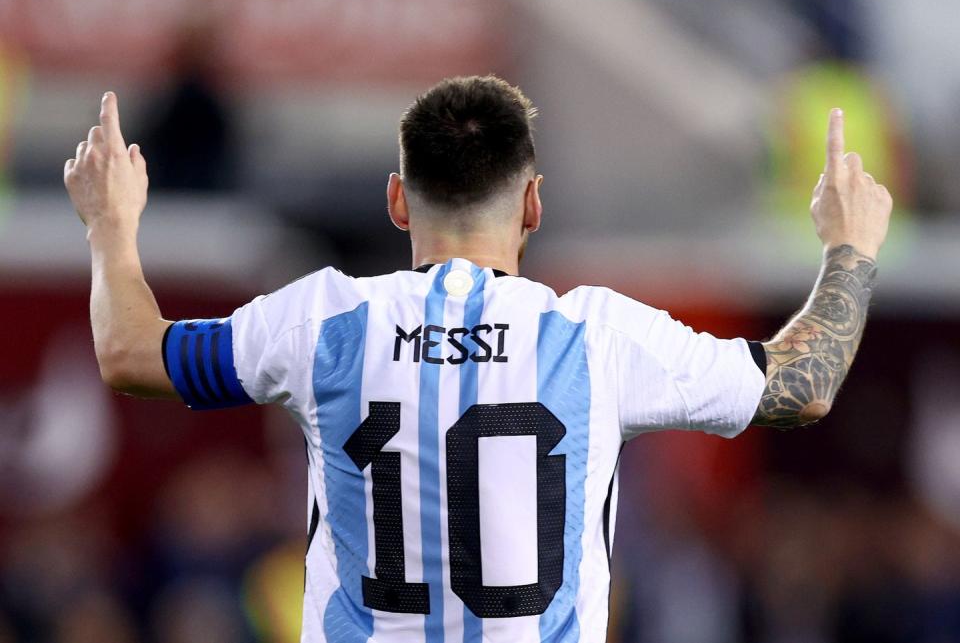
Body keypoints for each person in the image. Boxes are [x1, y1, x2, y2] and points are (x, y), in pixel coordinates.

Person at [63, 77, 892, 643]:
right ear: (534, 202)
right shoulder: (596, 337)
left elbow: (132, 350)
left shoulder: (323, 320)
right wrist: (849, 248)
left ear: (397, 200)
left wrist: (112, 225)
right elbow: (801, 384)